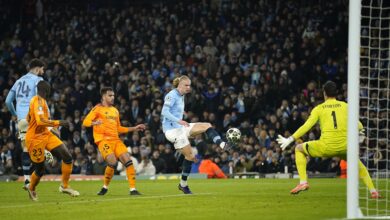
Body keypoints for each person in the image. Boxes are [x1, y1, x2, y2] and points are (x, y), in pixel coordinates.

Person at [277, 81, 380, 198]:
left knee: (298, 149)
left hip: (326, 147)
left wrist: (290, 139)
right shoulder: (345, 106)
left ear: (324, 93)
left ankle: (303, 182)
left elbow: (307, 126)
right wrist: (360, 139)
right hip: (344, 147)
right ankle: (373, 191)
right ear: (336, 93)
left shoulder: (319, 109)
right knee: (359, 166)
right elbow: (360, 126)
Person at [161, 75, 233, 194]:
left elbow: (175, 110)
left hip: (181, 127)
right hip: (172, 131)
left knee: (207, 125)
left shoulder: (181, 95)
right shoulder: (171, 95)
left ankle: (221, 144)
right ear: (179, 85)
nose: (189, 88)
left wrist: (181, 116)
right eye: (186, 85)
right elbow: (164, 112)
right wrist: (178, 120)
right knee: (190, 156)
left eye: (189, 85)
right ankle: (183, 185)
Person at [82, 87, 146, 196]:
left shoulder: (115, 110)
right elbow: (85, 122)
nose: (113, 98)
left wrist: (134, 128)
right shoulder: (97, 108)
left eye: (113, 96)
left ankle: (133, 189)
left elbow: (119, 128)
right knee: (112, 162)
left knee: (128, 161)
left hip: (116, 140)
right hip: (103, 141)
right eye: (110, 95)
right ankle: (105, 187)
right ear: (103, 96)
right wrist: (94, 123)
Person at [25, 81, 79, 201]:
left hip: (46, 135)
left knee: (67, 156)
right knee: (40, 169)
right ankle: (31, 187)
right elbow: (39, 121)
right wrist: (58, 122)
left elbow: (30, 118)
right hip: (35, 139)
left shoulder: (42, 102)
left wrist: (51, 128)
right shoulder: (37, 101)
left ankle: (64, 186)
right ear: (46, 91)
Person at [5, 58, 53, 189]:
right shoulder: (38, 81)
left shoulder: (18, 81)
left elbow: (8, 101)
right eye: (42, 69)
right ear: (37, 68)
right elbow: (41, 101)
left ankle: (26, 179)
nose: (43, 72)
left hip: (21, 119)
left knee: (26, 147)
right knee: (44, 140)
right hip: (34, 117)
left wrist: (15, 114)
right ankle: (44, 152)